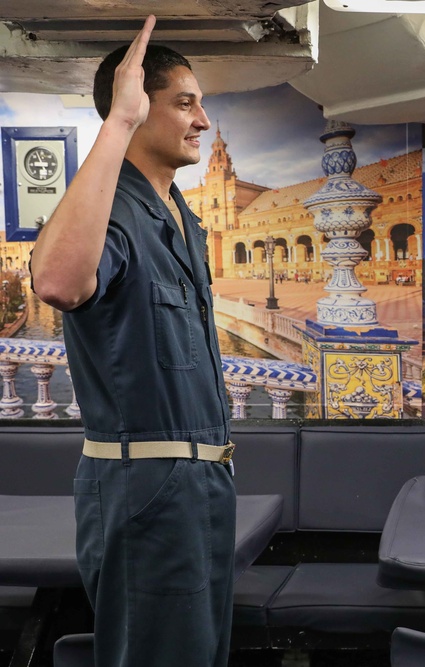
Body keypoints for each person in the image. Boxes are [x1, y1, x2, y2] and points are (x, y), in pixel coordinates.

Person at [30, 16, 237, 667]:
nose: (201, 119)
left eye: (201, 103)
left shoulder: (184, 219)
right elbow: (59, 280)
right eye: (184, 102)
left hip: (207, 480)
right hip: (149, 483)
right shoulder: (109, 211)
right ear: (139, 109)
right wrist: (114, 125)